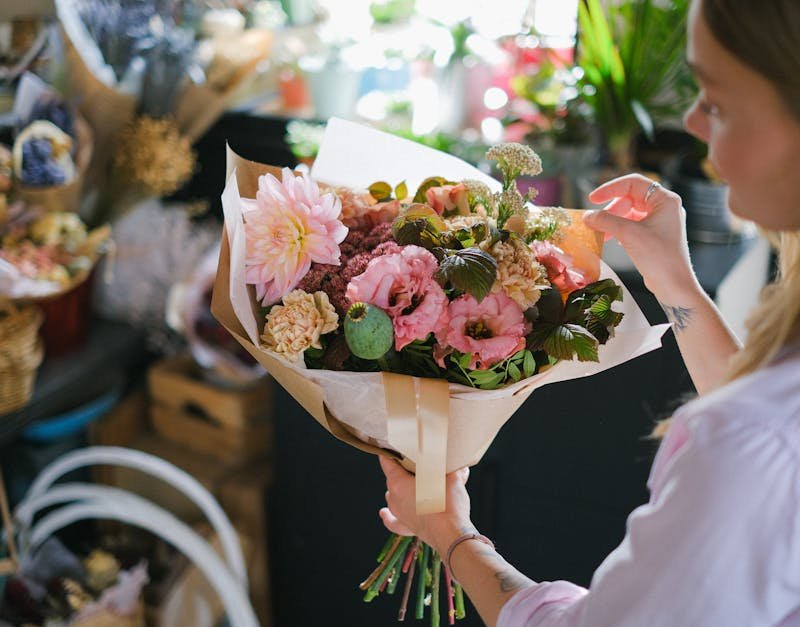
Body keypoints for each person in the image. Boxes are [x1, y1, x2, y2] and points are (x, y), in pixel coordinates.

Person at [378, 0, 800, 624]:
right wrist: (672, 279)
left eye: (716, 101)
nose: (692, 122)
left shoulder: (746, 445)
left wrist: (450, 533)